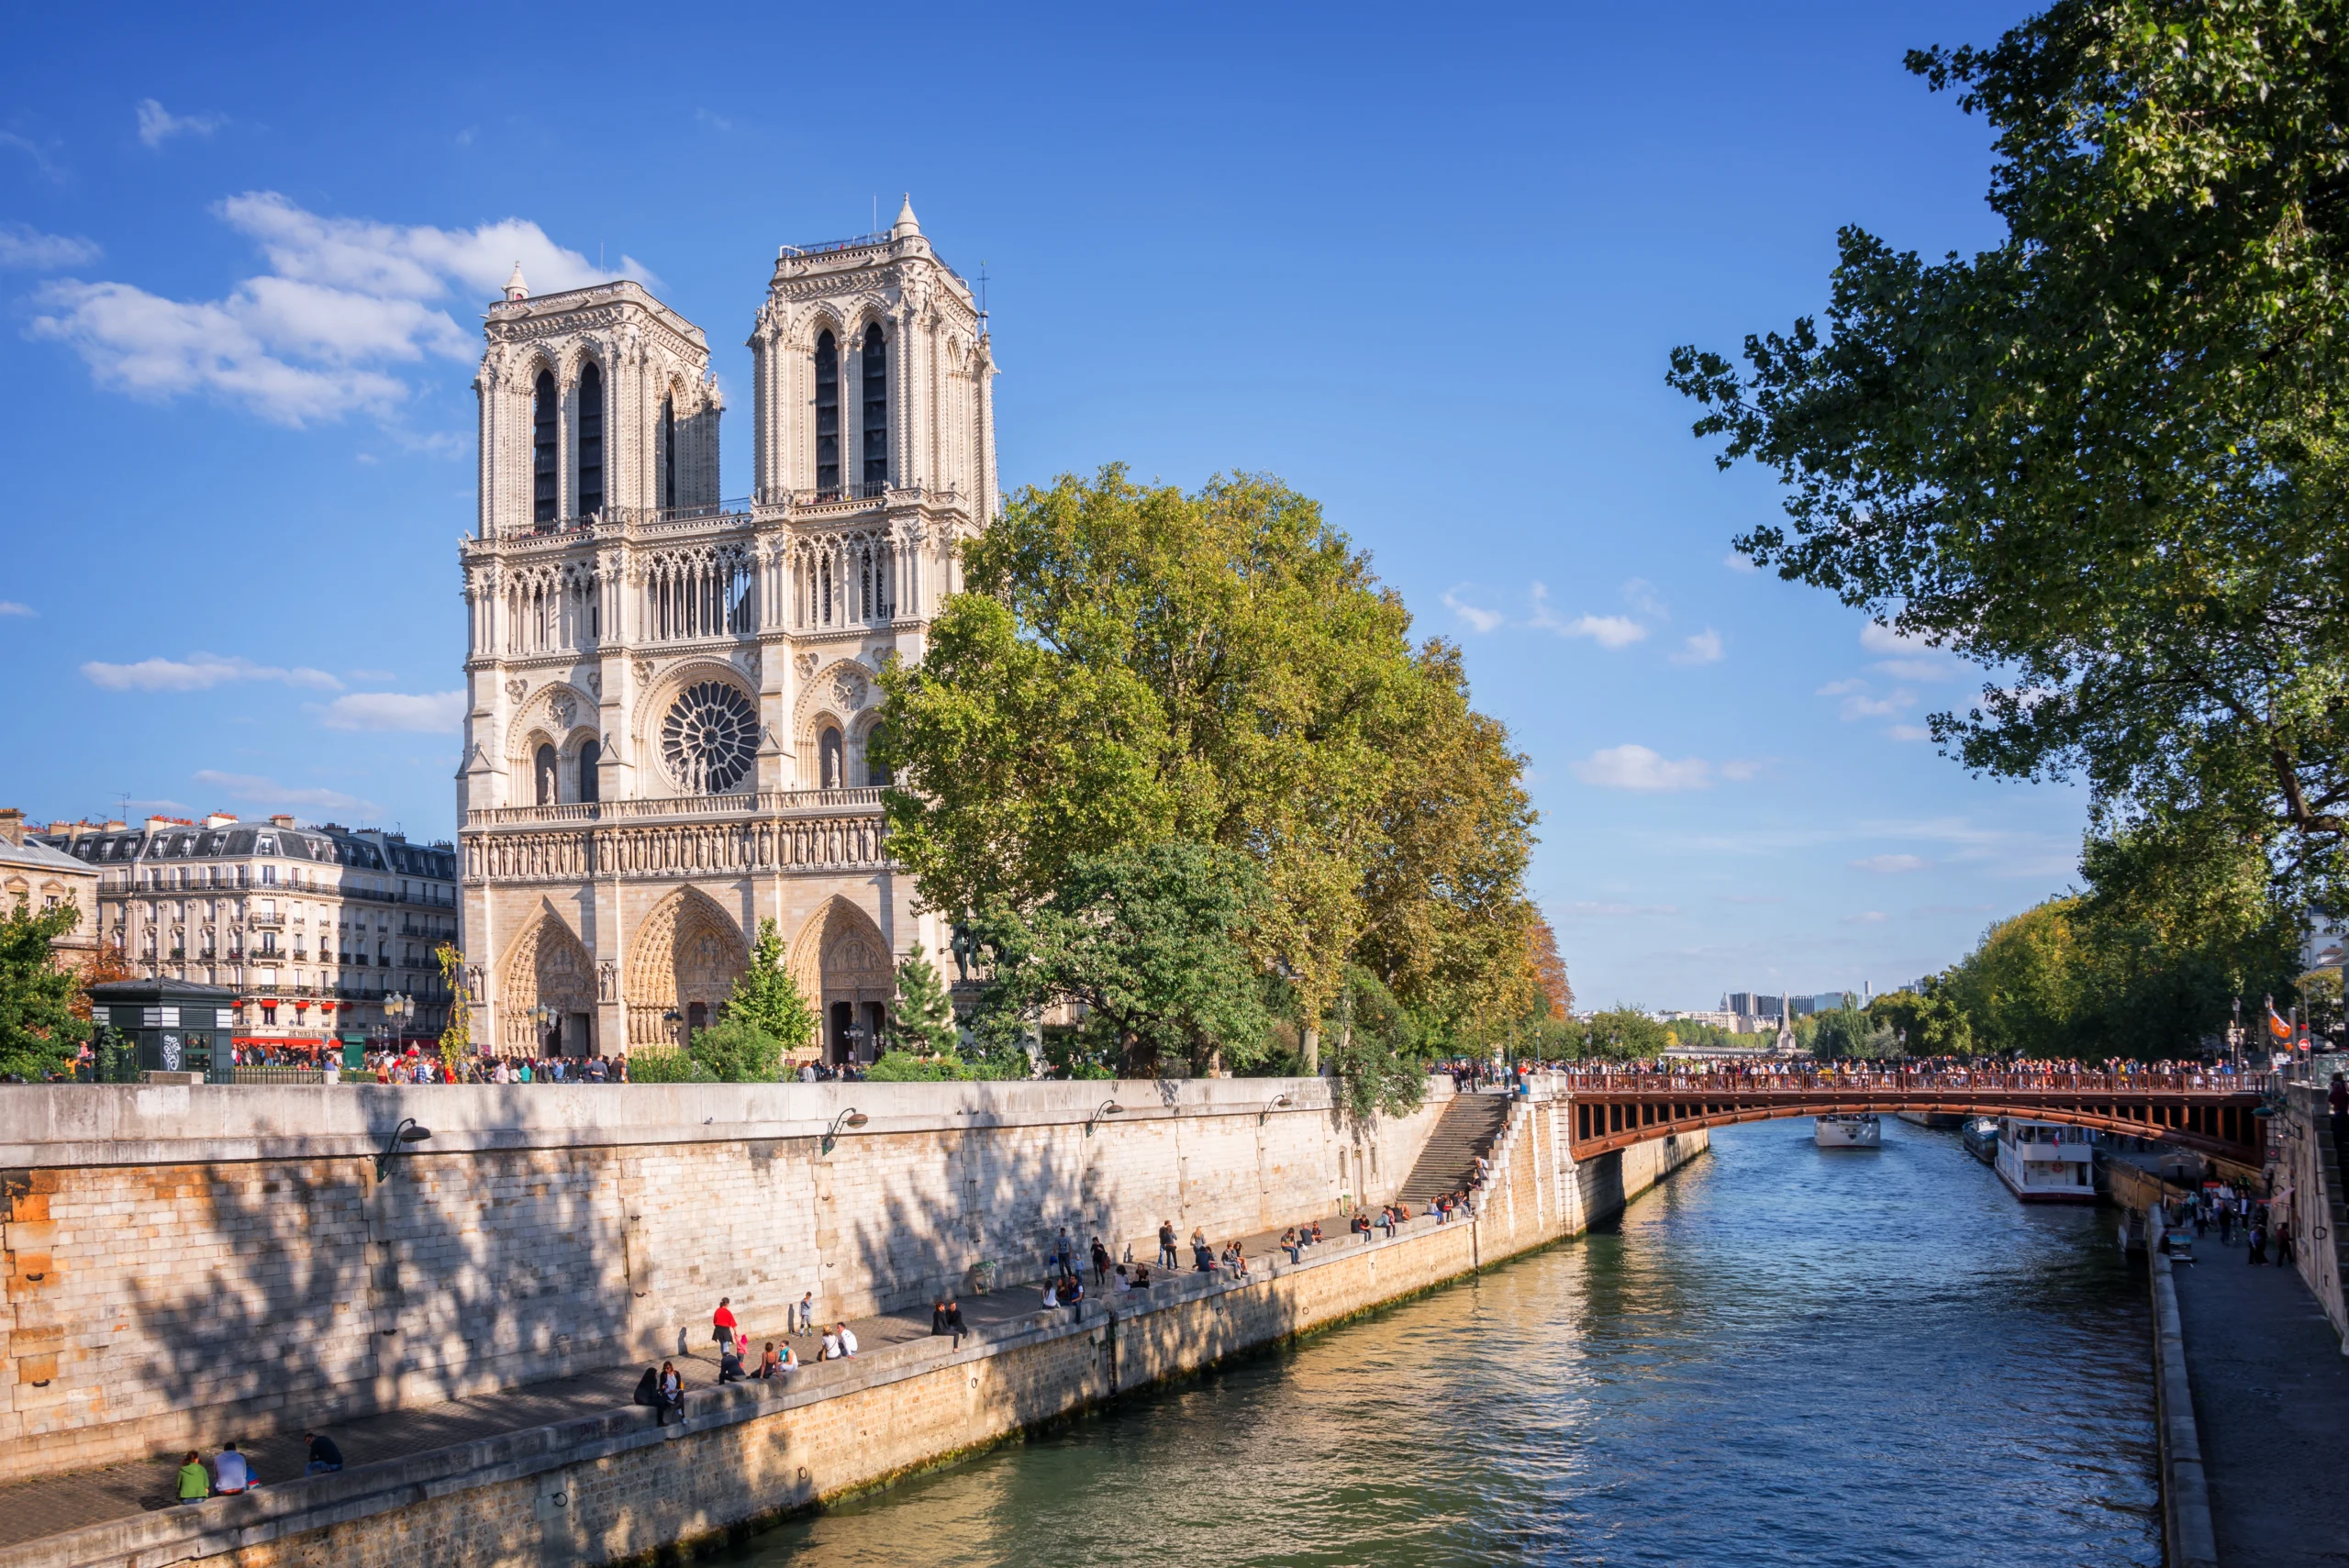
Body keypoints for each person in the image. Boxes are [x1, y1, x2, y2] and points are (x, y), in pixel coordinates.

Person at [657, 1361, 684, 1426]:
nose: (666, 1370)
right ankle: (678, 1408)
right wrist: (663, 1387)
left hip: (675, 1391)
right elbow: (661, 1387)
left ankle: (683, 1416)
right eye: (665, 1369)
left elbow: (678, 1386)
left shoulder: (676, 1374)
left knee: (681, 1393)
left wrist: (674, 1391)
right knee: (679, 1400)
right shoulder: (663, 1374)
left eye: (667, 1368)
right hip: (667, 1393)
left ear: (671, 1367)